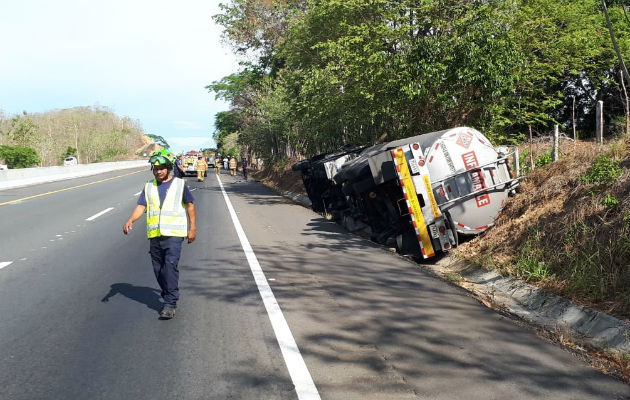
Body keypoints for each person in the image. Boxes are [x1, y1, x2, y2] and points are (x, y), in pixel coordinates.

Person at [122, 149, 196, 319]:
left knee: (170, 266)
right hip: (155, 234)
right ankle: (168, 293)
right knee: (158, 270)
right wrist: (131, 220)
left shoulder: (179, 185)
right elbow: (142, 206)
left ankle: (170, 302)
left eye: (162, 168)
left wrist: (192, 229)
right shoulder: (148, 186)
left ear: (168, 168)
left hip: (174, 234)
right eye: (155, 169)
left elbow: (190, 206)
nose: (158, 171)